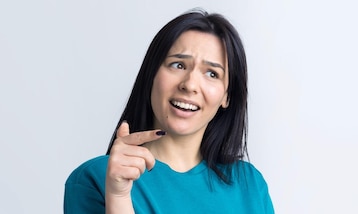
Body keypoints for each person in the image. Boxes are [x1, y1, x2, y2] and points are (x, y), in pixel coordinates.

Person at [64, 8, 274, 214]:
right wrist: (118, 197)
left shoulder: (250, 185)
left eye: (211, 73)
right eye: (178, 65)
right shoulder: (96, 178)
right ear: (152, 74)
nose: (190, 84)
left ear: (226, 96)